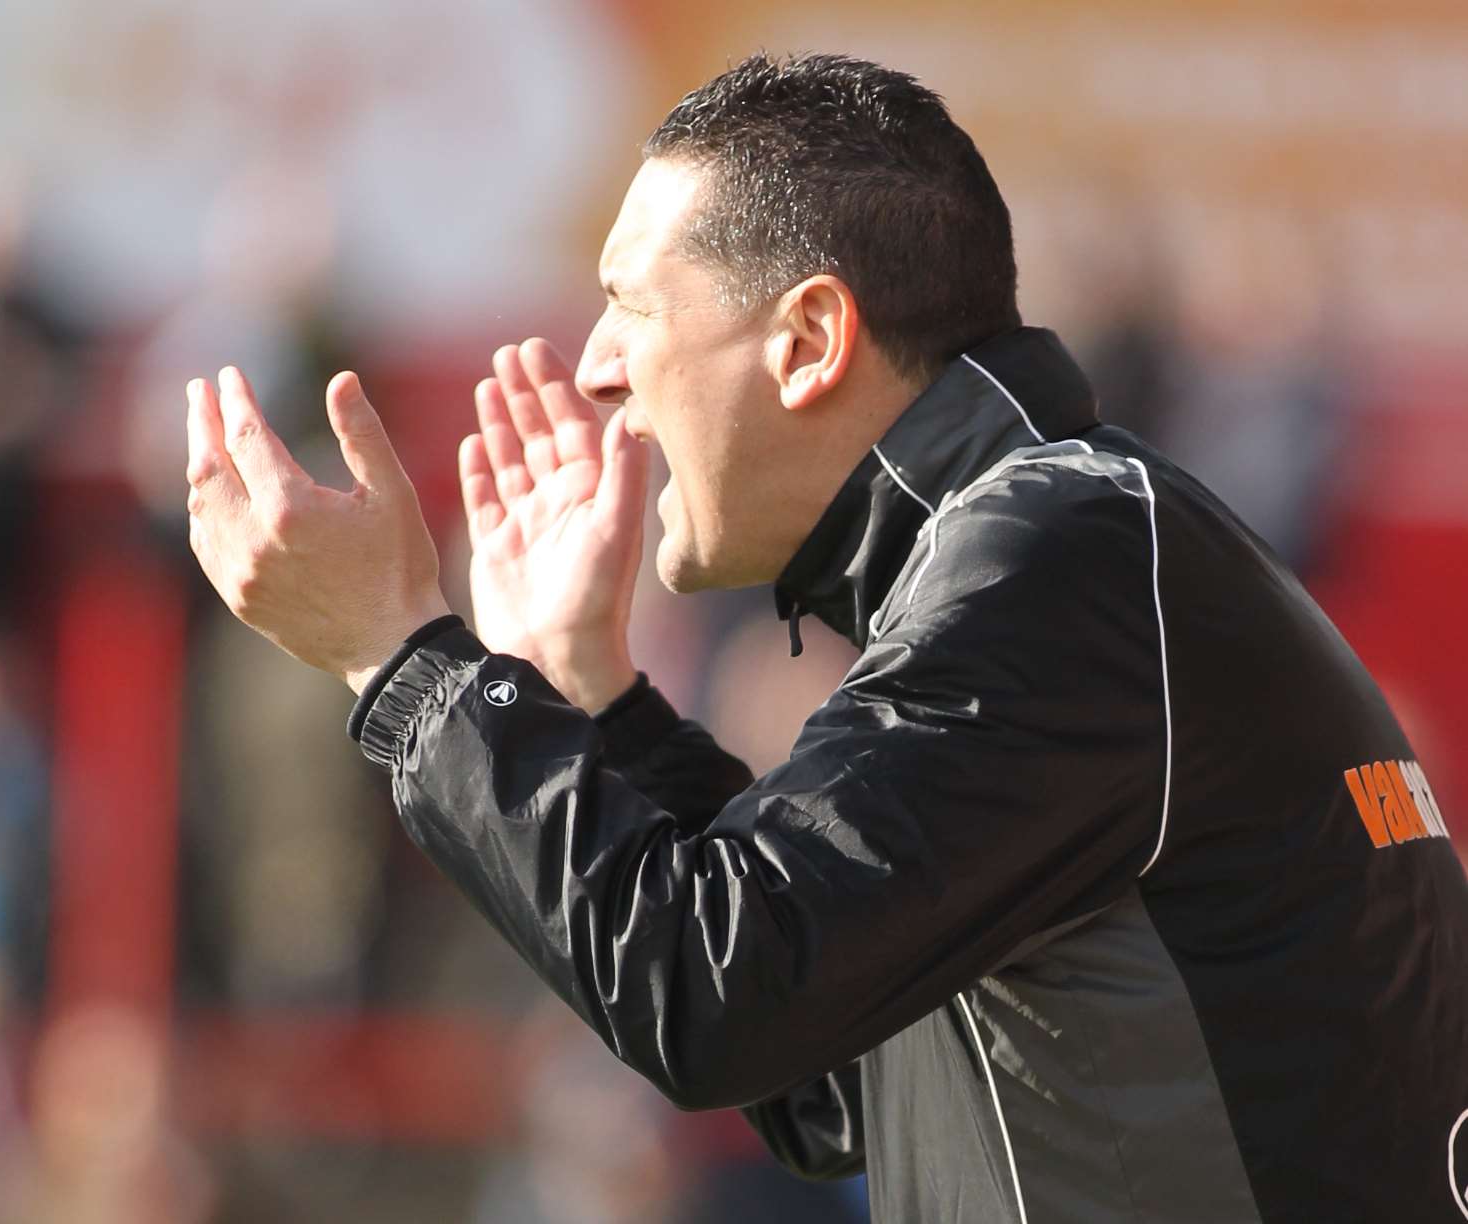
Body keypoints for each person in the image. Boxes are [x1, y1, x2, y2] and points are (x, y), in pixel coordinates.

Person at [183, 53, 1468, 1224]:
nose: (593, 369)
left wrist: (396, 655)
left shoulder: (1056, 554)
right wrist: (590, 688)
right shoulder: (1076, 538)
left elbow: (718, 999)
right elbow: (826, 1070)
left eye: (630, 306)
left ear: (807, 341)